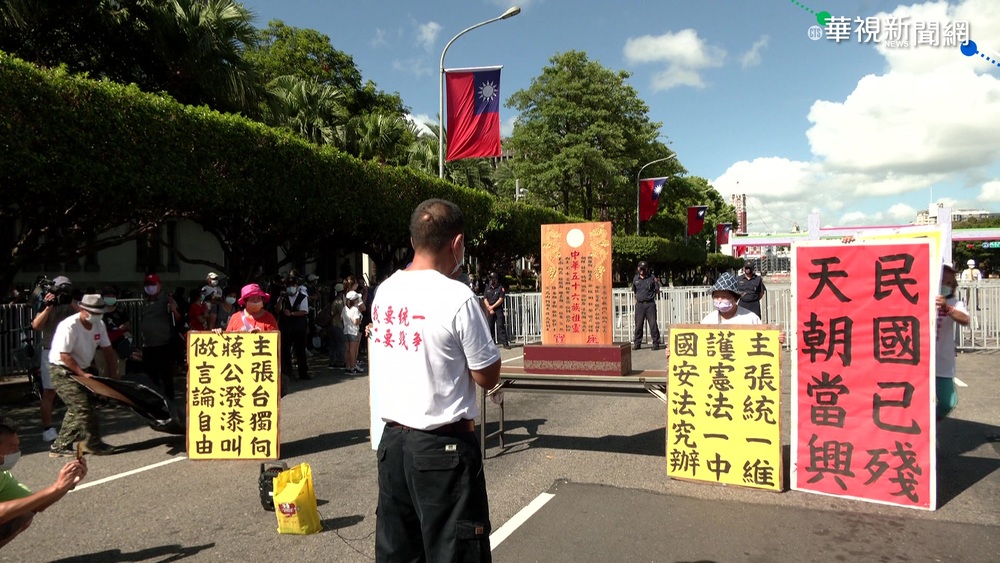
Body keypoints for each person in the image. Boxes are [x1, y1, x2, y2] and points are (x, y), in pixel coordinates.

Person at [370, 198, 501, 562]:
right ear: (457, 244)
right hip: (443, 447)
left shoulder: (386, 291)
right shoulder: (457, 296)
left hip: (393, 445)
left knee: (400, 551)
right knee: (455, 552)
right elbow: (487, 374)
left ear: (413, 240)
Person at [47, 294, 124, 457]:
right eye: (93, 312)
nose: (96, 315)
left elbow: (108, 350)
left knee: (80, 407)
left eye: (99, 312)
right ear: (82, 309)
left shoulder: (99, 324)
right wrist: (83, 374)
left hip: (81, 368)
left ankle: (60, 445)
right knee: (82, 407)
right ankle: (93, 443)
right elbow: (64, 355)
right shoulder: (69, 326)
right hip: (62, 369)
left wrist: (114, 373)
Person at [0, 423, 88, 548]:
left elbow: (35, 505)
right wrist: (57, 487)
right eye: (12, 447)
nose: (17, 452)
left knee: (23, 515)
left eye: (18, 446)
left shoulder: (2, 474)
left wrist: (67, 484)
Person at [30, 276, 78, 442]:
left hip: (70, 351)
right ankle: (48, 429)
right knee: (49, 391)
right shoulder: (46, 303)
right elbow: (36, 325)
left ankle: (75, 426)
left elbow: (85, 317)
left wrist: (70, 301)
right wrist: (48, 307)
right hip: (51, 350)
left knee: (74, 390)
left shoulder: (72, 303)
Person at [936, 263, 970, 421]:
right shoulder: (919, 298)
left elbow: (965, 319)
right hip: (920, 363)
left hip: (943, 365)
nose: (946, 285)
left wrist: (947, 308)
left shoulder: (956, 303)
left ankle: (932, 424)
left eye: (950, 283)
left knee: (948, 402)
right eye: (943, 281)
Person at [139, 274, 181, 401]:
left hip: (164, 345)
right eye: (148, 285)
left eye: (153, 284)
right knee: (151, 378)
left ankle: (169, 402)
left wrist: (174, 310)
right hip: (148, 345)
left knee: (166, 377)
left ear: (159, 285)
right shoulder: (144, 302)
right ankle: (154, 402)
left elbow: (178, 318)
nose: (150, 287)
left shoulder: (167, 300)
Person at [276, 275, 311, 380]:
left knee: (300, 350)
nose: (291, 287)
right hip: (285, 327)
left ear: (297, 286)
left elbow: (304, 311)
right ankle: (287, 373)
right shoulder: (283, 298)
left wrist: (291, 313)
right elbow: (277, 310)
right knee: (285, 350)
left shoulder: (303, 297)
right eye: (288, 285)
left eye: (293, 285)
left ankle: (303, 373)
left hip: (299, 327)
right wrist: (280, 299)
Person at [632, 261, 661, 350]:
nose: (642, 270)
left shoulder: (652, 278)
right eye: (640, 268)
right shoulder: (635, 278)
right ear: (638, 268)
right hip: (640, 305)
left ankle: (656, 343)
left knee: (653, 324)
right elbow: (634, 291)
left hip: (650, 304)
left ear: (647, 269)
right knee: (638, 325)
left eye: (644, 268)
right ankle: (637, 343)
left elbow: (657, 290)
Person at [483, 272, 510, 349]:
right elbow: (485, 299)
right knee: (490, 326)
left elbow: (500, 300)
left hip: (498, 309)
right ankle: (492, 344)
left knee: (500, 326)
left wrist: (492, 307)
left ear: (496, 279)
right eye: (491, 279)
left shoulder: (500, 288)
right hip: (489, 309)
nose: (492, 280)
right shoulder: (487, 288)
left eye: (493, 279)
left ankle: (505, 343)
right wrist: (489, 307)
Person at [325, 283, 346, 369]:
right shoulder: (339, 302)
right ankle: (341, 362)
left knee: (333, 345)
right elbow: (342, 314)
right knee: (341, 344)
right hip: (338, 324)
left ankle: (332, 362)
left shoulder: (333, 301)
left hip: (332, 324)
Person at [342, 290, 363, 374]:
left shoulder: (344, 308)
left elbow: (341, 318)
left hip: (346, 330)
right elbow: (355, 321)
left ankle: (348, 366)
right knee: (352, 350)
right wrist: (359, 321)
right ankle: (353, 367)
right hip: (353, 331)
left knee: (347, 350)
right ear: (354, 300)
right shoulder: (355, 309)